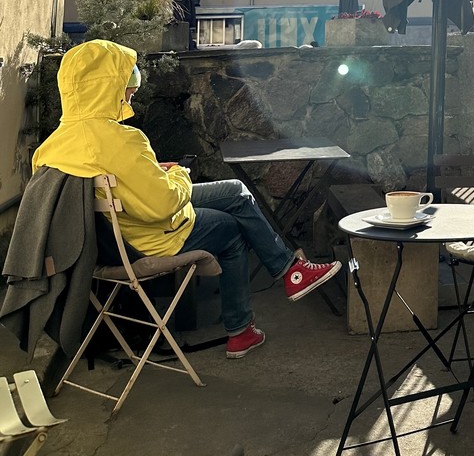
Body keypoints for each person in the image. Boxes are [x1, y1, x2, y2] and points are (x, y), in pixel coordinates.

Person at [32, 40, 342, 360]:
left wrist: (157, 173)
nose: (132, 87)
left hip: (107, 243)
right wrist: (179, 173)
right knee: (233, 227)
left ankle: (287, 275)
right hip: (148, 240)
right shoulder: (121, 140)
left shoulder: (52, 146)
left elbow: (122, 187)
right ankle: (245, 326)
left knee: (235, 190)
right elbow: (163, 205)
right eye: (125, 79)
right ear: (104, 86)